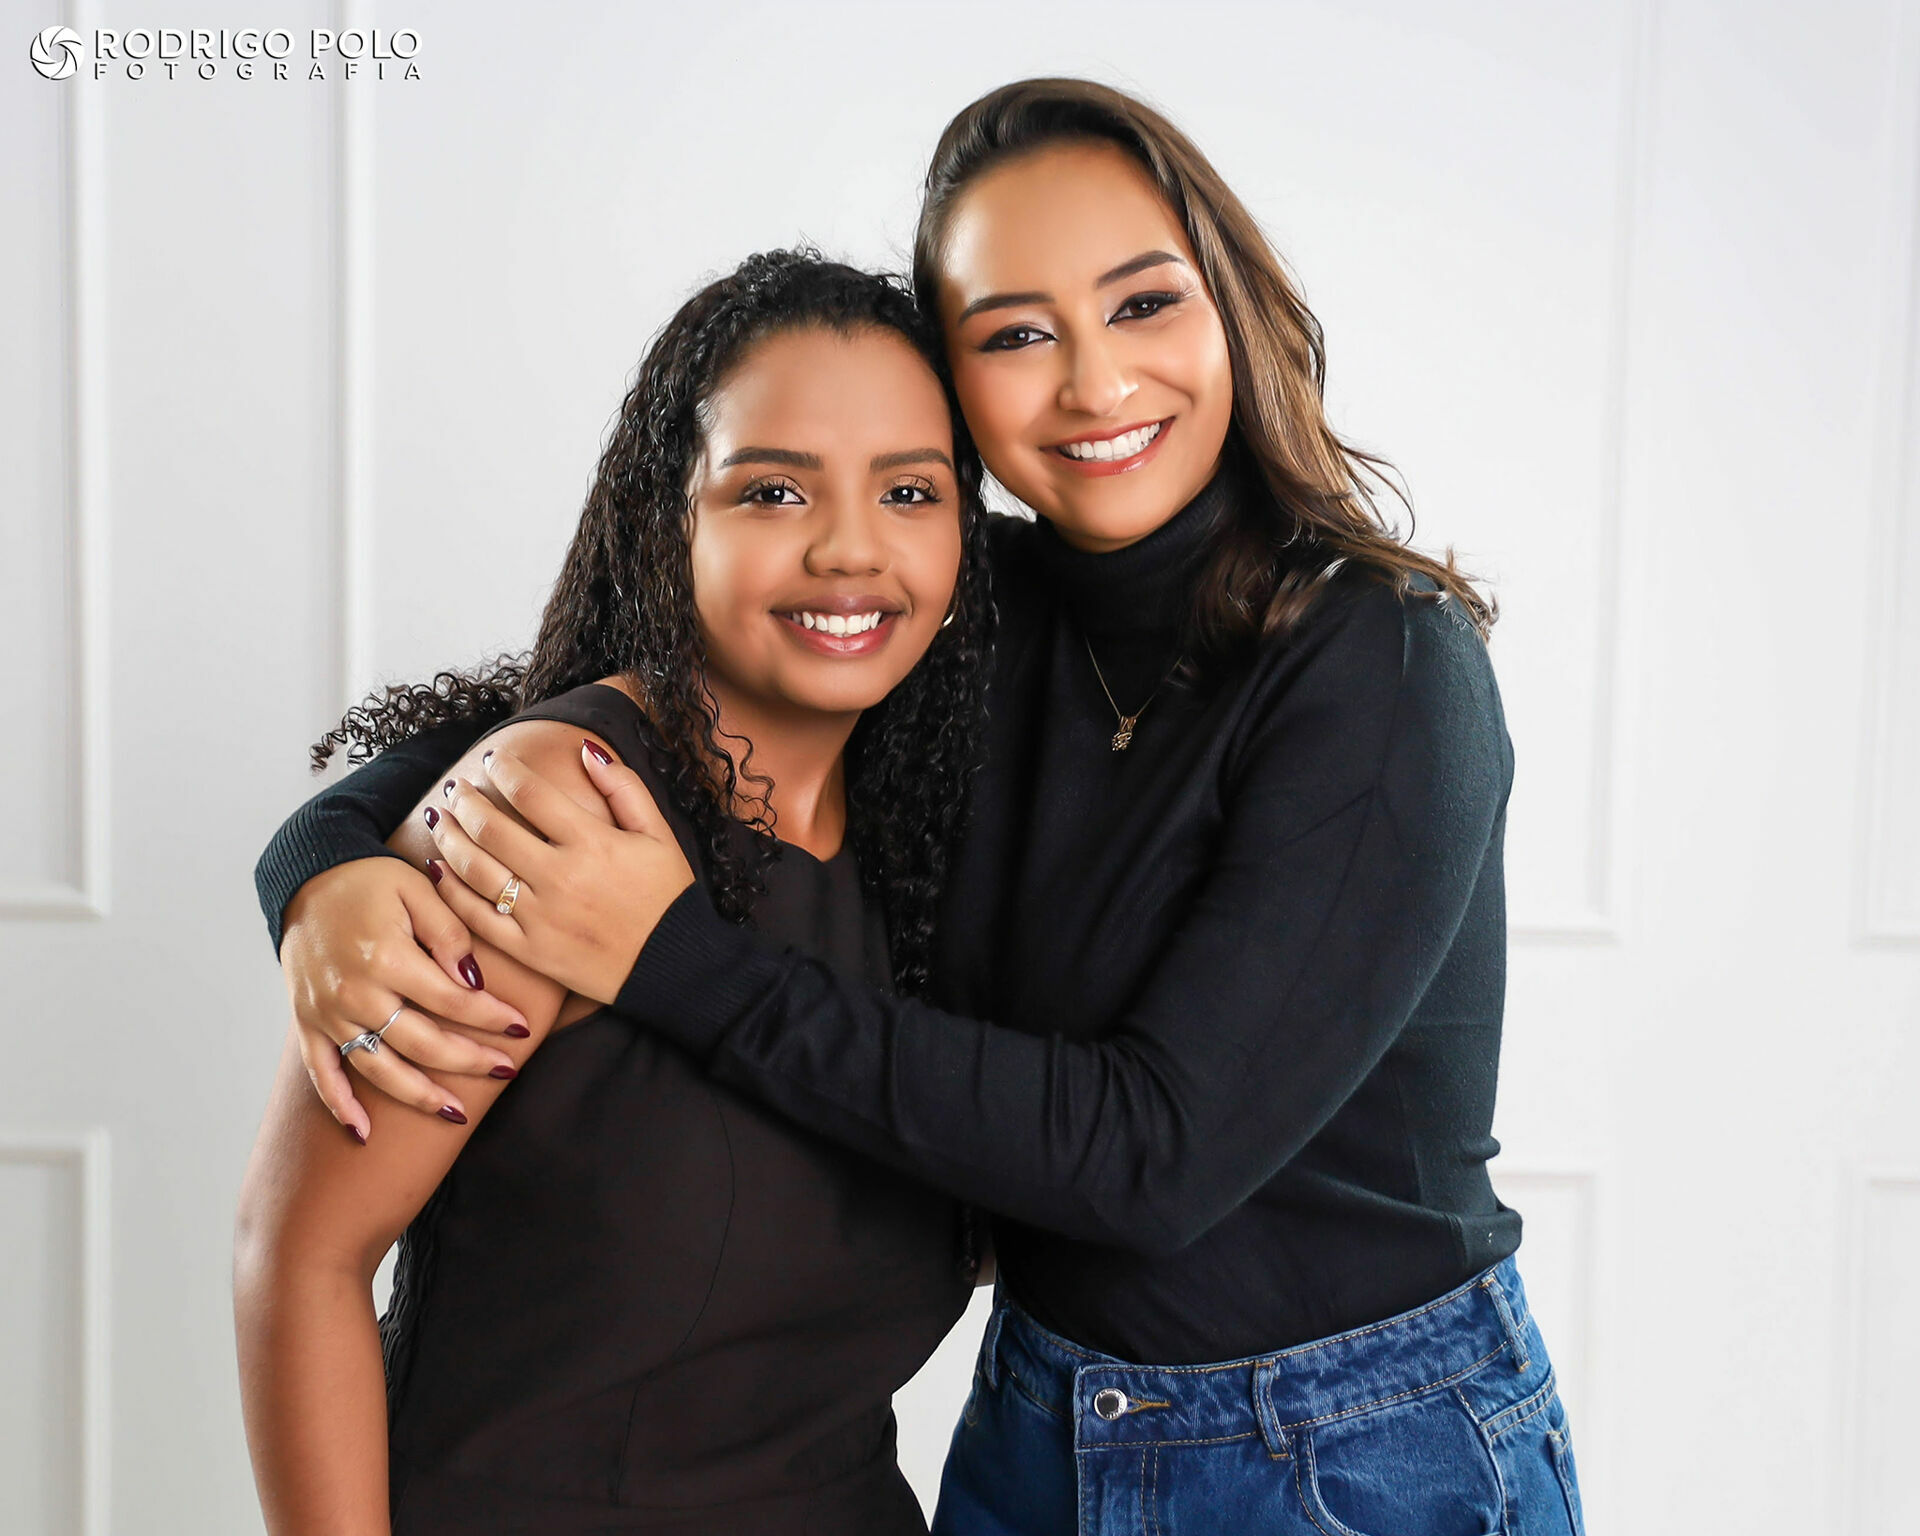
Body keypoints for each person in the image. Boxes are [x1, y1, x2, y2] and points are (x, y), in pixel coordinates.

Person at [252, 81, 1587, 1535]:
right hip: (1041, 1427)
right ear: (959, 395)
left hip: (1343, 1449)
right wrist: (324, 866)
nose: (1093, 383)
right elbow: (590, 702)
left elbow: (1154, 1161)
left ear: (1237, 310)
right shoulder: (967, 612)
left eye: (1143, 304)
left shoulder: (1386, 666)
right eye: (1015, 334)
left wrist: (671, 957)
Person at [232, 250, 995, 1535]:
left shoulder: (931, 834)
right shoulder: (555, 809)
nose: (852, 548)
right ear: (667, 520)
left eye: (909, 491)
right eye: (772, 491)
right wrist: (313, 871)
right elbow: (300, 1254)